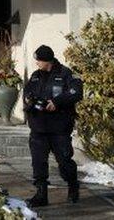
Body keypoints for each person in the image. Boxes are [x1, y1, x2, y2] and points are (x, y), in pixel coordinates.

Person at [22, 44, 83, 207]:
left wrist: (56, 102)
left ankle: (73, 186)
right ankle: (41, 194)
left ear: (47, 60)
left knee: (64, 161)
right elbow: (27, 91)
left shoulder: (66, 74)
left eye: (39, 61)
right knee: (38, 162)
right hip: (38, 127)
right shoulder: (35, 76)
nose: (37, 64)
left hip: (59, 128)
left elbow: (76, 92)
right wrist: (29, 99)